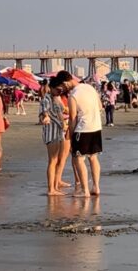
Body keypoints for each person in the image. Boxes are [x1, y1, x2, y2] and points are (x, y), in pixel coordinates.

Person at [53, 70, 102, 198]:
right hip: (96, 126)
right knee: (93, 157)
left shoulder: (73, 96)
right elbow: (100, 106)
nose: (63, 90)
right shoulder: (90, 88)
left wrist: (70, 135)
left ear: (65, 82)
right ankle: (96, 186)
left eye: (63, 87)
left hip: (83, 129)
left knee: (78, 159)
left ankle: (85, 190)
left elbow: (73, 118)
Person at [40, 82, 68, 195]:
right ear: (51, 88)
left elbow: (62, 111)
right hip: (51, 131)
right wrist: (45, 117)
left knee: (58, 160)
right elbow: (44, 112)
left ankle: (55, 186)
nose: (59, 92)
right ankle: (51, 189)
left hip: (59, 131)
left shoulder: (57, 98)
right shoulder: (46, 99)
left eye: (60, 90)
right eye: (57, 90)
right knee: (52, 160)